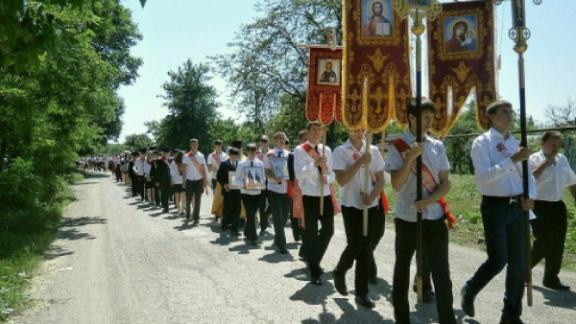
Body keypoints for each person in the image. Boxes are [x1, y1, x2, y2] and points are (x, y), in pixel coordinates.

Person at [461, 100, 536, 324]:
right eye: (505, 111)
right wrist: (511, 160)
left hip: (518, 207)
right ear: (491, 116)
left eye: (511, 112)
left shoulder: (515, 142)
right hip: (495, 206)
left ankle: (511, 315)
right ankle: (471, 289)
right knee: (498, 259)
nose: (510, 115)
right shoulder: (482, 143)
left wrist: (530, 195)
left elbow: (528, 174)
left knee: (519, 264)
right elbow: (483, 179)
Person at [386, 99, 456, 324]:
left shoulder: (437, 146)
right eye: (425, 117)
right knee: (402, 270)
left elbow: (446, 183)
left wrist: (429, 200)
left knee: (441, 273)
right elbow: (396, 184)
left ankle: (447, 318)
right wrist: (409, 158)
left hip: (435, 218)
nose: (429, 122)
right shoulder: (397, 145)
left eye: (431, 117)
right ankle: (402, 318)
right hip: (407, 218)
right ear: (412, 118)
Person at [332, 128, 385, 308]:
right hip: (351, 205)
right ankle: (340, 271)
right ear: (347, 128)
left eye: (363, 126)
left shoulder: (375, 151)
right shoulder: (340, 151)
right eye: (356, 127)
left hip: (370, 205)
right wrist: (360, 161)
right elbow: (341, 180)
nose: (360, 130)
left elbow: (380, 179)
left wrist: (373, 196)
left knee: (366, 249)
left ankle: (361, 293)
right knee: (355, 244)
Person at [529, 131, 576, 291]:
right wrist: (546, 163)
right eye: (552, 143)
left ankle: (551, 278)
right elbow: (528, 180)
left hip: (557, 206)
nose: (556, 147)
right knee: (544, 241)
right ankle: (522, 271)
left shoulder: (562, 159)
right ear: (543, 143)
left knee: (557, 244)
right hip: (537, 205)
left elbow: (572, 182)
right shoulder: (533, 159)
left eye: (559, 144)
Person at [294, 121, 335, 285]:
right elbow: (299, 174)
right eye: (315, 129)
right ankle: (314, 270)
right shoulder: (300, 150)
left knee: (328, 230)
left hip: (325, 194)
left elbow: (332, 174)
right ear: (308, 130)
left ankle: (313, 261)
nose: (319, 132)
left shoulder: (327, 150)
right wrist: (313, 164)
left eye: (321, 129)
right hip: (309, 195)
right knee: (310, 233)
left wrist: (328, 178)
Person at [263, 132, 291, 254]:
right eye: (279, 138)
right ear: (275, 140)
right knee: (278, 216)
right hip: (274, 189)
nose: (281, 140)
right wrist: (274, 177)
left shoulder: (290, 155)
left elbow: (293, 171)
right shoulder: (269, 154)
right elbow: (267, 171)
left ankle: (276, 239)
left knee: (284, 216)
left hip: (287, 189)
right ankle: (282, 244)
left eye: (283, 138)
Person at [235, 143, 266, 246]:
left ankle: (247, 232)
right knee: (250, 214)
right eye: (251, 150)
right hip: (246, 193)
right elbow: (236, 179)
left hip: (257, 192)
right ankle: (254, 237)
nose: (253, 152)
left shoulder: (260, 164)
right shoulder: (241, 164)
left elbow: (263, 177)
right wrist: (243, 185)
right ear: (247, 151)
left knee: (251, 215)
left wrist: (262, 184)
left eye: (254, 150)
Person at [217, 145, 242, 235]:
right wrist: (224, 184)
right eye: (232, 154)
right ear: (229, 154)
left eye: (236, 155)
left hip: (237, 190)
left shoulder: (240, 164)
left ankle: (235, 228)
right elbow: (219, 176)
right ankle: (225, 224)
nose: (234, 156)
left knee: (237, 208)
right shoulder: (224, 164)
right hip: (227, 190)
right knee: (227, 208)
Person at [183, 139, 209, 224]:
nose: (194, 146)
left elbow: (203, 169)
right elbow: (184, 170)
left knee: (198, 199)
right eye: (193, 144)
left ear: (198, 145)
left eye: (196, 144)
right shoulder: (186, 156)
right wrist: (184, 182)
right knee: (188, 199)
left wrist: (205, 181)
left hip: (198, 180)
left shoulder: (201, 156)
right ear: (190, 145)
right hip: (189, 180)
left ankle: (196, 217)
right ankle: (187, 213)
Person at [257, 135, 272, 234]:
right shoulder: (256, 153)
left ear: (268, 142)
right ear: (260, 143)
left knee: (273, 203)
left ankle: (266, 216)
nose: (264, 143)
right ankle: (263, 227)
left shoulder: (272, 153)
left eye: (266, 141)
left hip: (271, 180)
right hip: (260, 181)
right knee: (262, 204)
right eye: (262, 141)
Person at [155, 148, 172, 213]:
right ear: (163, 153)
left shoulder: (170, 160)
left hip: (170, 179)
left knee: (167, 193)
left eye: (167, 153)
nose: (166, 154)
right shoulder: (159, 161)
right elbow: (157, 172)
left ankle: (165, 205)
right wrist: (157, 181)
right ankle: (166, 207)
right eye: (165, 153)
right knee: (164, 193)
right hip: (162, 180)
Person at [170, 150, 187, 216]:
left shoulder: (173, 162)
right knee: (183, 197)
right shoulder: (184, 162)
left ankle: (178, 210)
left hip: (176, 182)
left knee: (177, 197)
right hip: (183, 181)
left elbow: (171, 173)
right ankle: (182, 210)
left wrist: (172, 180)